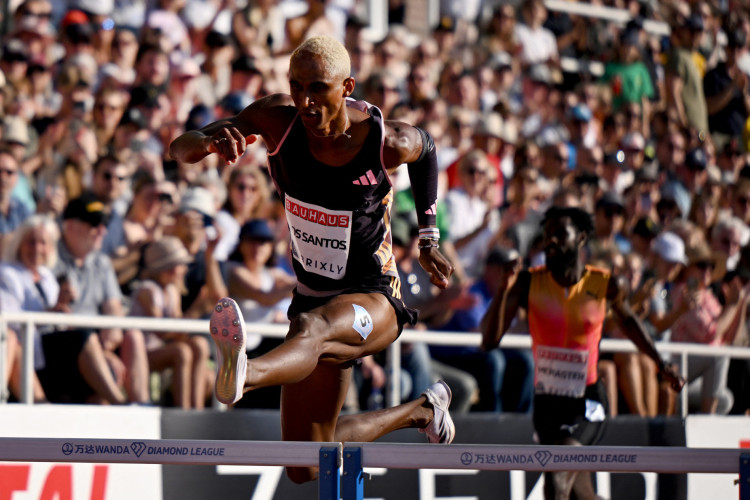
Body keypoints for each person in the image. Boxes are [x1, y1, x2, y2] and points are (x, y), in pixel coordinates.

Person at [169, 35, 456, 484]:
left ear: (347, 86)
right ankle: (421, 411)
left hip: (374, 297)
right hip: (313, 295)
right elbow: (179, 149)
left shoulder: (383, 140)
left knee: (312, 328)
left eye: (318, 88)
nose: (305, 100)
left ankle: (244, 373)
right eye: (296, 85)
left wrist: (428, 235)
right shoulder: (274, 120)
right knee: (305, 465)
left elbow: (428, 151)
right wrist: (209, 142)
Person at [481, 206, 684, 500]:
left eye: (560, 235)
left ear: (581, 238)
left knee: (558, 476)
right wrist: (503, 290)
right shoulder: (529, 282)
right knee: (581, 493)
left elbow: (630, 323)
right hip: (547, 405)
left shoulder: (606, 284)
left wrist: (661, 363)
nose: (551, 241)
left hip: (588, 402)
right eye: (547, 235)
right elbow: (488, 342)